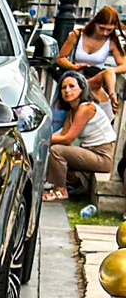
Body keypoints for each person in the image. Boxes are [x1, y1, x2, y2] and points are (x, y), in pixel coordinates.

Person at [48, 70, 115, 206]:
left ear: (82, 89)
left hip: (103, 156)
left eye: (72, 86)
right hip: (91, 152)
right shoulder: (73, 110)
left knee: (56, 150)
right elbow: (62, 134)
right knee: (53, 148)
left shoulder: (86, 108)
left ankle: (60, 190)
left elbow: (67, 139)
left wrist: (43, 139)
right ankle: (73, 182)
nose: (67, 90)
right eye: (63, 87)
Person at [61, 4, 123, 98]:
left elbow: (124, 65)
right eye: (101, 28)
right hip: (73, 81)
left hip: (95, 84)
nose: (105, 33)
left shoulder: (111, 41)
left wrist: (108, 72)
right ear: (95, 24)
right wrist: (73, 67)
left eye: (109, 30)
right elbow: (61, 58)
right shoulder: (77, 35)